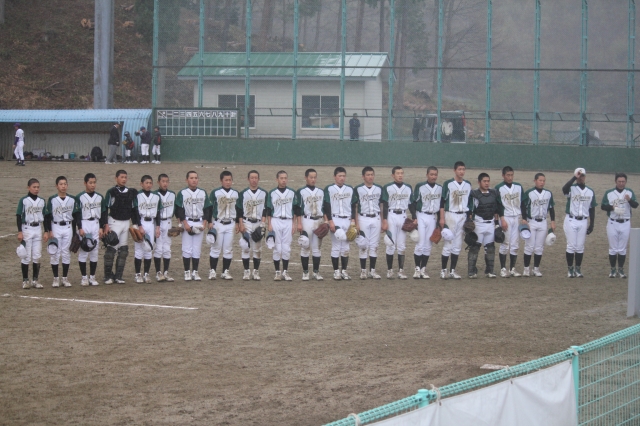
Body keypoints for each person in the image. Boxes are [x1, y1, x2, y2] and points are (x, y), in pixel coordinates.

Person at [101, 169, 139, 284]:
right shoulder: (111, 192)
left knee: (123, 250)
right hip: (114, 222)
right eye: (121, 177)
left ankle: (118, 276)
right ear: (116, 178)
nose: (124, 179)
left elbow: (134, 209)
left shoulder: (131, 192)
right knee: (111, 249)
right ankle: (108, 276)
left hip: (126, 222)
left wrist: (135, 224)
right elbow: (105, 208)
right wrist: (105, 224)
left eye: (125, 177)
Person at [175, 171, 212, 281]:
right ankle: (187, 272)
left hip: (199, 222)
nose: (194, 180)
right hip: (187, 221)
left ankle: (195, 272)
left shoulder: (203, 192)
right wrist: (185, 224)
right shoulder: (182, 193)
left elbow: (207, 209)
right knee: (187, 248)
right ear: (187, 180)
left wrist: (204, 223)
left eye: (196, 178)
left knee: (196, 248)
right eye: (191, 178)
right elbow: (179, 209)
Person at [439, 161, 472, 279]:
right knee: (448, 243)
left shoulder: (468, 184)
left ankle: (452, 271)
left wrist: (469, 218)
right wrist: (442, 218)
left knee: (457, 244)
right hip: (450, 215)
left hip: (463, 216)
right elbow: (442, 202)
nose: (461, 171)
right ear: (454, 170)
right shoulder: (448, 184)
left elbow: (470, 202)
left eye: (463, 169)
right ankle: (443, 270)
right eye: (459, 169)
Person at [601, 173, 638, 278]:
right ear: (615, 182)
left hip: (625, 222)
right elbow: (603, 206)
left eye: (623, 181)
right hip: (613, 222)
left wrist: (629, 200)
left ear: (626, 182)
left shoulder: (629, 192)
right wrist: (612, 207)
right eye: (619, 181)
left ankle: (621, 270)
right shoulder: (609, 193)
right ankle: (613, 270)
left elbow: (635, 205)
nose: (621, 183)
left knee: (622, 248)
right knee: (613, 248)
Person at [562, 168, 596, 278]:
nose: (581, 178)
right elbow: (564, 189)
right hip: (571, 219)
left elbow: (592, 208)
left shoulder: (590, 191)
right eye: (579, 176)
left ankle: (578, 269)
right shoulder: (571, 188)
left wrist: (592, 224)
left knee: (580, 246)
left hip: (583, 221)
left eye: (583, 176)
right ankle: (570, 269)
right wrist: (574, 178)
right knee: (571, 246)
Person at [324, 167, 357, 280]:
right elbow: (327, 206)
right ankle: (336, 271)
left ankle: (344, 271)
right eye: (339, 176)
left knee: (346, 246)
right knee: (336, 245)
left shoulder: (350, 189)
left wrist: (353, 220)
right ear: (335, 177)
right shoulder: (329, 189)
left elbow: (353, 205)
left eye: (343, 176)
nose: (342, 178)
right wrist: (330, 221)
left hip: (347, 219)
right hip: (335, 219)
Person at [381, 166, 413, 279]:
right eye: (398, 173)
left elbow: (411, 204)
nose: (400, 175)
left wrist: (414, 217)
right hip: (391, 216)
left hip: (403, 216)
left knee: (402, 245)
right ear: (393, 175)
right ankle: (390, 270)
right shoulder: (387, 187)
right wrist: (384, 220)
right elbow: (385, 205)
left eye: (401, 173)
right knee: (390, 244)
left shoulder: (408, 187)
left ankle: (401, 270)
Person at [521, 173, 556, 277]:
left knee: (539, 247)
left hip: (543, 222)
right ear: (535, 181)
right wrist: (524, 218)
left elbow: (551, 208)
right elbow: (523, 206)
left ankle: (536, 269)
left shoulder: (548, 193)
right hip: (531, 221)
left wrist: (553, 221)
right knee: (529, 246)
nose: (542, 182)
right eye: (540, 180)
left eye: (543, 181)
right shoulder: (529, 193)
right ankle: (526, 269)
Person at [44, 176, 76, 287]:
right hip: (56, 226)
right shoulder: (52, 199)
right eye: (61, 184)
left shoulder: (72, 199)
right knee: (55, 252)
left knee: (66, 252)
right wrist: (49, 230)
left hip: (68, 226)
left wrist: (74, 232)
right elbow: (47, 216)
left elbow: (75, 216)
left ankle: (65, 278)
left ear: (67, 185)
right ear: (56, 186)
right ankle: (56, 278)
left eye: (65, 184)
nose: (63, 186)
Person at [467, 173, 501, 279]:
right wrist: (469, 221)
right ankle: (471, 271)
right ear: (479, 182)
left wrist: (497, 224)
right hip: (478, 223)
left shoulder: (494, 193)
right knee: (474, 248)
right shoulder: (474, 194)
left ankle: (489, 271)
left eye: (488, 181)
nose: (487, 183)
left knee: (490, 248)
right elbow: (471, 209)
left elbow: (496, 210)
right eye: (484, 181)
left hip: (490, 223)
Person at [266, 171, 298, 281]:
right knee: (277, 248)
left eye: (285, 178)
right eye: (281, 178)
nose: (284, 180)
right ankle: (277, 272)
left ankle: (285, 272)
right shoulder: (272, 193)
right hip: (276, 220)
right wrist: (269, 224)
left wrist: (294, 223)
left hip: (288, 221)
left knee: (286, 248)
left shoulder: (292, 192)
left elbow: (295, 209)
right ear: (277, 179)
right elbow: (269, 209)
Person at [208, 171, 240, 280]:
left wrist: (237, 223)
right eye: (226, 180)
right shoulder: (215, 192)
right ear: (221, 180)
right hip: (218, 223)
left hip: (230, 223)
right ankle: (213, 271)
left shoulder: (235, 193)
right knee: (215, 248)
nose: (228, 182)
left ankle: (225, 271)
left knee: (228, 249)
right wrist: (210, 221)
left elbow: (238, 209)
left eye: (230, 180)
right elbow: (210, 208)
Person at [74, 173, 104, 286]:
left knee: (94, 251)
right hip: (84, 223)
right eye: (90, 183)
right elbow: (77, 214)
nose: (93, 185)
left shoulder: (100, 197)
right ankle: (84, 277)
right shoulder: (79, 197)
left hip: (95, 223)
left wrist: (101, 227)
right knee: (84, 251)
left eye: (94, 182)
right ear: (85, 183)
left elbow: (103, 213)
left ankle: (92, 277)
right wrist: (80, 228)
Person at [237, 170, 268, 280]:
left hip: (258, 222)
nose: (254, 180)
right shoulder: (243, 193)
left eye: (256, 178)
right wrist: (240, 224)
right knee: (245, 247)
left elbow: (265, 209)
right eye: (252, 178)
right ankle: (246, 271)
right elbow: (239, 210)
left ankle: (256, 271)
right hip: (246, 222)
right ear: (248, 179)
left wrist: (263, 224)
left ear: (258, 179)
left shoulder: (264, 193)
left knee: (257, 249)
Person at [412, 166, 442, 279]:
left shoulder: (440, 188)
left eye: (435, 174)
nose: (433, 176)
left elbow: (440, 206)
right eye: (431, 174)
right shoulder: (420, 186)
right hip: (421, 215)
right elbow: (413, 202)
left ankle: (423, 269)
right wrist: (414, 217)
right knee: (420, 243)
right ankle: (417, 269)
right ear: (427, 175)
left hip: (433, 217)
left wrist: (439, 221)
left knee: (428, 244)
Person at [295, 169, 325, 281]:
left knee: (317, 248)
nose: (313, 179)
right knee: (305, 246)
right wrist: (299, 223)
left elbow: (324, 207)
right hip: (306, 220)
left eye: (314, 177)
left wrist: (326, 221)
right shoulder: (301, 191)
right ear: (306, 178)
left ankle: (316, 272)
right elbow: (298, 208)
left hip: (319, 221)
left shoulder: (321, 191)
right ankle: (305, 272)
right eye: (311, 177)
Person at [354, 166, 383, 280]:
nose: (370, 177)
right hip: (363, 218)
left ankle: (372, 271)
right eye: (368, 175)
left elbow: (381, 205)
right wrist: (356, 222)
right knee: (363, 245)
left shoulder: (379, 188)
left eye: (372, 174)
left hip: (376, 218)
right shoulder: (358, 189)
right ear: (363, 177)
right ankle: (363, 271)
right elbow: (355, 206)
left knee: (374, 246)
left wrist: (383, 220)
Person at [17, 178, 46, 289]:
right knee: (26, 255)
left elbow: (45, 217)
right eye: (34, 187)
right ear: (28, 188)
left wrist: (46, 231)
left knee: (37, 255)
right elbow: (18, 216)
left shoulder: (42, 201)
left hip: (38, 228)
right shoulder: (24, 200)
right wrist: (20, 231)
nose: (36, 189)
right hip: (27, 228)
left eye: (38, 187)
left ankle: (35, 280)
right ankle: (25, 280)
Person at [496, 166, 524, 278]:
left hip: (517, 217)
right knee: (505, 243)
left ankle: (512, 268)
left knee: (515, 244)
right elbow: (498, 206)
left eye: (512, 175)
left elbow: (523, 203)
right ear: (503, 175)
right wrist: (501, 219)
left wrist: (524, 218)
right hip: (506, 217)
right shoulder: (499, 188)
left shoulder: (518, 187)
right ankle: (503, 269)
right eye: (508, 175)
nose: (510, 177)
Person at [132, 175, 161, 283]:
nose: (148, 185)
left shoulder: (156, 196)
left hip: (151, 223)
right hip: (142, 222)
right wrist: (139, 226)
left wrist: (157, 227)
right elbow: (135, 212)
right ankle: (138, 274)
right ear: (141, 184)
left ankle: (146, 274)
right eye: (146, 183)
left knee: (149, 249)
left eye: (150, 183)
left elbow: (158, 212)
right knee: (139, 250)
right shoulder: (137, 196)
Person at [154, 173, 176, 282]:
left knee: (167, 248)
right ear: (158, 182)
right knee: (158, 248)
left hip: (168, 221)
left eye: (167, 181)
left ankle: (166, 272)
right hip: (157, 223)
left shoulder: (172, 194)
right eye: (163, 181)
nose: (165, 183)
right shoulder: (154, 195)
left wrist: (179, 223)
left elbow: (176, 209)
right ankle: (158, 273)